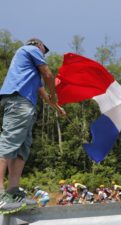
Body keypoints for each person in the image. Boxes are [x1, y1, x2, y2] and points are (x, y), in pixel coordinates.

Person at [0, 38, 65, 214]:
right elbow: (48, 75)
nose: (44, 54)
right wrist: (55, 95)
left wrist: (56, 107)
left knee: (21, 149)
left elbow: (41, 90)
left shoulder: (29, 70)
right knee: (9, 142)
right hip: (19, 100)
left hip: (26, 104)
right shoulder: (30, 49)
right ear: (39, 45)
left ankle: (13, 191)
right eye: (45, 50)